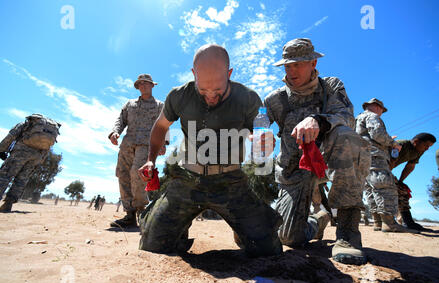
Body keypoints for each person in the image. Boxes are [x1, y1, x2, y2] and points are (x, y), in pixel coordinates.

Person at [137, 44, 283, 258]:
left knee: (267, 250)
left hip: (231, 181)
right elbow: (160, 126)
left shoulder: (249, 98)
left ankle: (242, 230)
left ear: (229, 74)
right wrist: (150, 159)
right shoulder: (179, 96)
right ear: (194, 74)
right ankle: (177, 229)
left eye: (217, 90)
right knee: (153, 245)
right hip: (188, 179)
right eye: (203, 89)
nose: (211, 97)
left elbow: (257, 132)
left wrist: (262, 141)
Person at [263, 38, 371, 265]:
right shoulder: (275, 99)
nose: (291, 71)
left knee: (347, 137)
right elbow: (256, 122)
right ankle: (318, 221)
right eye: (287, 65)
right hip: (295, 172)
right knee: (288, 238)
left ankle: (348, 234)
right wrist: (258, 134)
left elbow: (348, 118)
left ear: (313, 63)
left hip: (330, 161)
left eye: (298, 64)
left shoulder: (331, 87)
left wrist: (317, 120)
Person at [108, 74, 167, 228]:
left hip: (147, 145)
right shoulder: (130, 104)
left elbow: (163, 124)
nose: (143, 85)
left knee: (138, 174)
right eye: (140, 84)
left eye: (146, 83)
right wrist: (115, 132)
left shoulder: (160, 105)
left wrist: (163, 142)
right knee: (123, 175)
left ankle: (142, 213)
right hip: (127, 145)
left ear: (152, 85)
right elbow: (120, 120)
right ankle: (129, 215)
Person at [356, 98, 418, 234]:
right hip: (375, 156)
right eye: (382, 110)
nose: (381, 113)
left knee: (371, 189)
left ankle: (378, 222)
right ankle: (389, 223)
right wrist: (393, 143)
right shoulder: (372, 116)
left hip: (361, 158)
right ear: (377, 107)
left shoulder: (357, 119)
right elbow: (377, 134)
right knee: (385, 187)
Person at [0, 114, 61, 212]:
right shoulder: (50, 132)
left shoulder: (27, 124)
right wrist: (40, 160)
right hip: (36, 157)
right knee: (21, 180)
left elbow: (11, 136)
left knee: (5, 175)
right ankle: (8, 203)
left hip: (20, 152)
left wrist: (2, 149)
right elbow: (47, 147)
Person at [389, 133, 436, 231]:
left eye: (429, 147)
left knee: (403, 191)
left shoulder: (419, 151)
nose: (427, 148)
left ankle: (409, 222)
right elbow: (389, 159)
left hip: (387, 171)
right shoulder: (401, 144)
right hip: (376, 167)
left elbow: (410, 166)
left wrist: (401, 182)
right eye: (426, 145)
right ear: (416, 142)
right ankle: (382, 222)